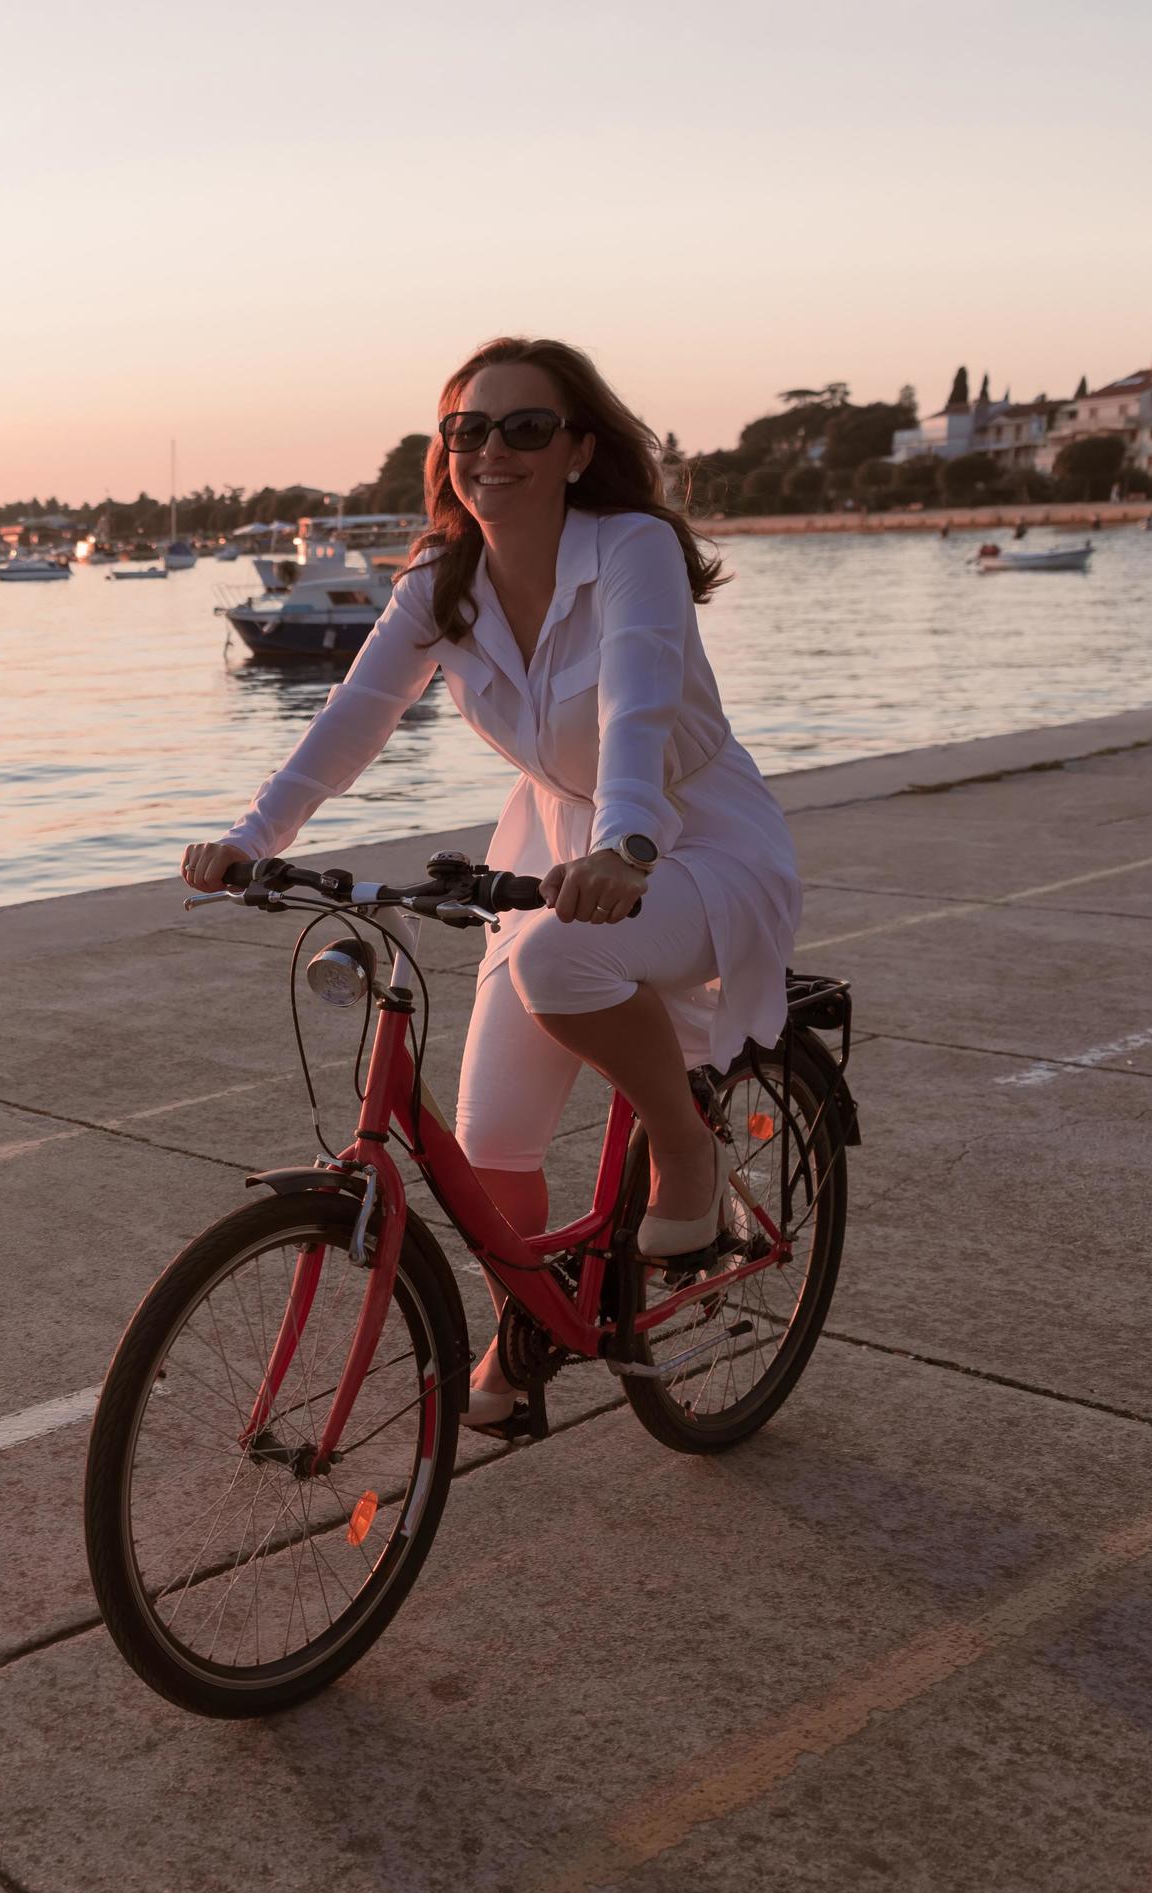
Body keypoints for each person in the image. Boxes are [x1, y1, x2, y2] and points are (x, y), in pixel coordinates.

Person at [183, 338, 801, 1432]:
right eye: (469, 429)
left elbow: (640, 708)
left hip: (695, 841)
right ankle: (532, 1329)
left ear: (577, 450)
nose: (490, 450)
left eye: (524, 428)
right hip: (557, 855)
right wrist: (249, 838)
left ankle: (687, 1148)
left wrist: (627, 846)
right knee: (490, 1145)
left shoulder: (632, 548)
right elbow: (353, 721)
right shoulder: (440, 580)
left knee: (564, 960)